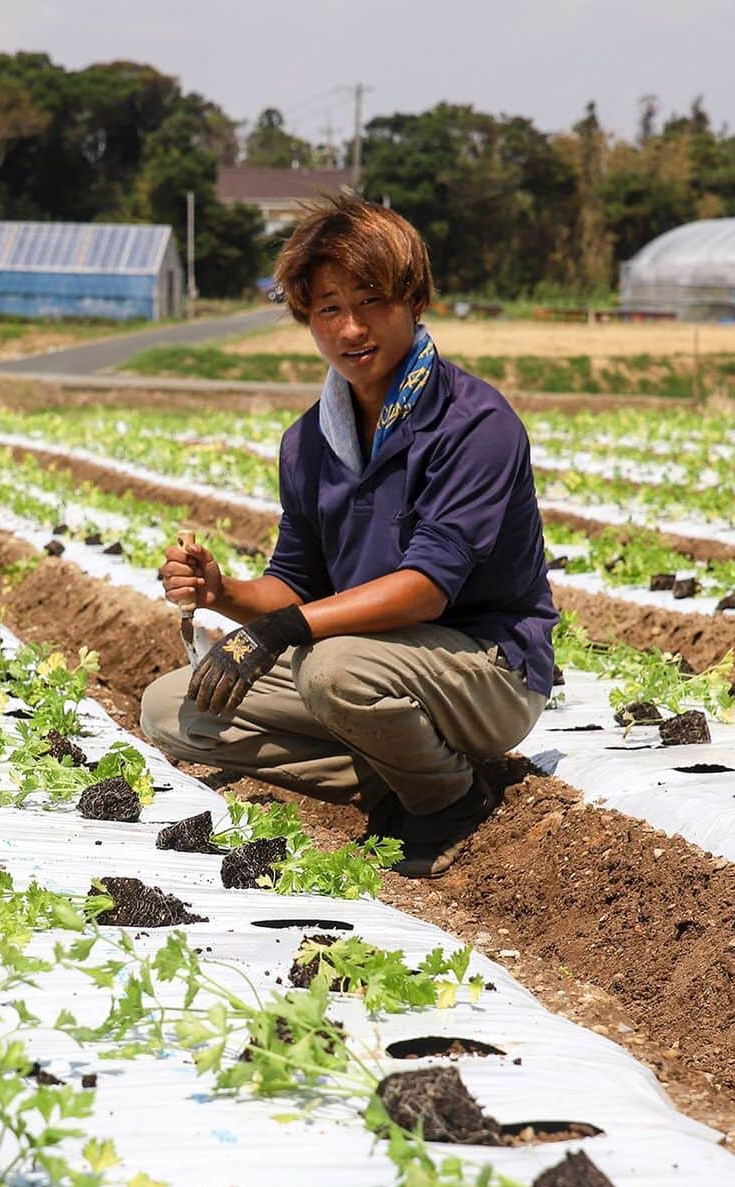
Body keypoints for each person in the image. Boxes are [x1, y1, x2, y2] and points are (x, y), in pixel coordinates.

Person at [141, 193, 557, 877]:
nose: (352, 328)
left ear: (414, 299)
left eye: (372, 300)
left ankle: (449, 801)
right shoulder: (309, 442)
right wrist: (223, 593)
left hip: (488, 669)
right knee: (171, 709)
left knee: (330, 667)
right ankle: (399, 775)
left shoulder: (474, 423)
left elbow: (426, 590)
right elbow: (295, 583)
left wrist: (280, 630)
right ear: (308, 317)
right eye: (329, 308)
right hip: (371, 667)